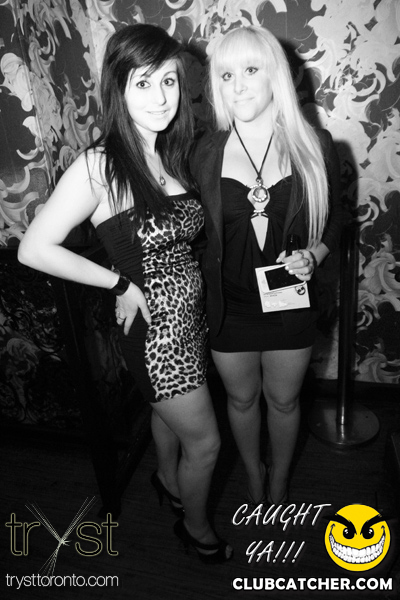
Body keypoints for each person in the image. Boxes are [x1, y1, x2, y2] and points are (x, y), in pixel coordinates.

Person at [18, 23, 232, 563]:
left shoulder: (168, 153)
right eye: (143, 83)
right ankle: (196, 529)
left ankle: (168, 479)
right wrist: (119, 282)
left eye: (169, 82)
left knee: (166, 416)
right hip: (158, 338)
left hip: (190, 323)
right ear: (118, 88)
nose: (161, 98)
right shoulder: (100, 164)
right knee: (207, 443)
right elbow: (34, 248)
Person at [190, 26, 343, 507]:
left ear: (274, 74)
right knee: (240, 400)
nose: (237, 86)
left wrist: (313, 255)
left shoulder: (314, 144)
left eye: (251, 70)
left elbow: (336, 219)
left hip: (289, 303)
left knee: (284, 400)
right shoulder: (204, 150)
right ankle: (254, 475)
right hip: (229, 306)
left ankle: (279, 479)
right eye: (226, 75)